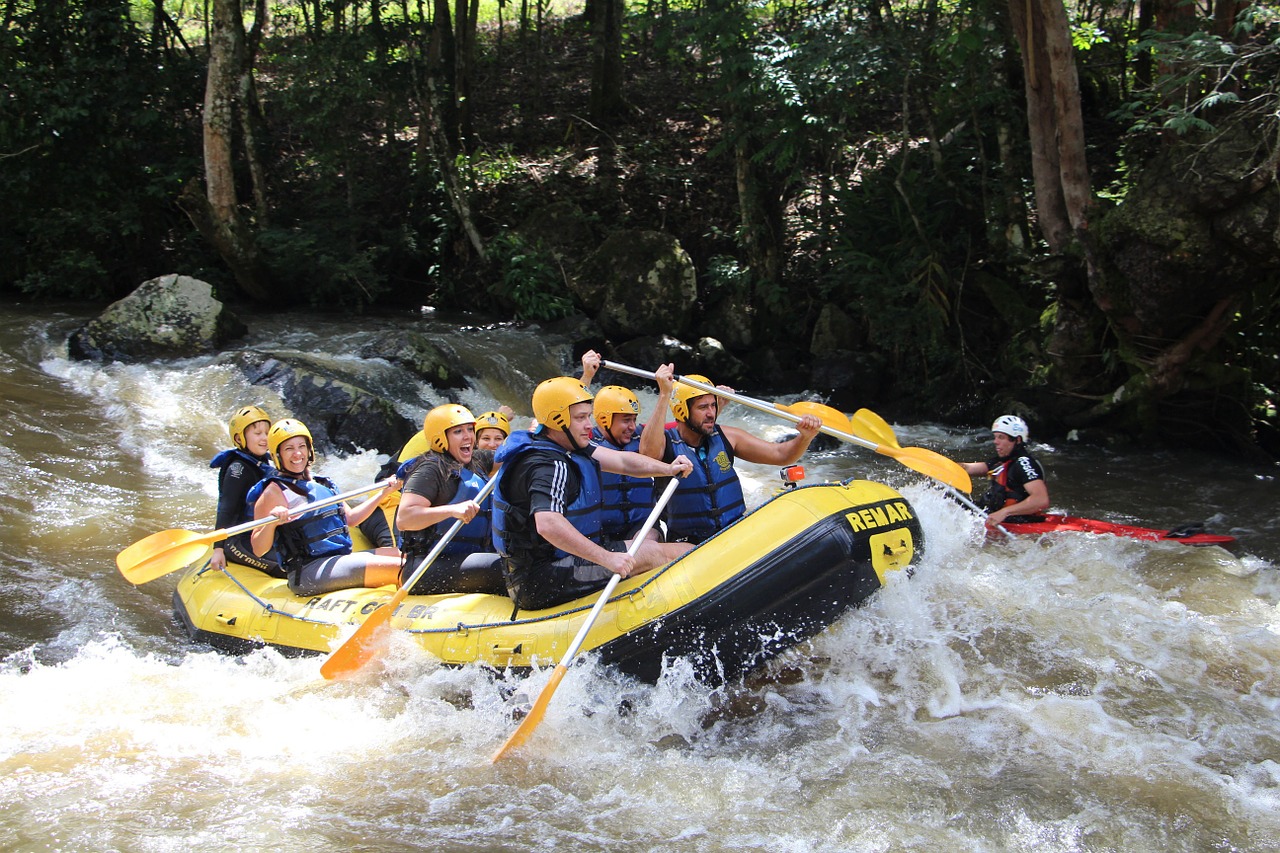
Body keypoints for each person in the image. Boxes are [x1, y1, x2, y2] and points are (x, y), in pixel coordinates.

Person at [490, 376, 694, 612]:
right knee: (673, 552)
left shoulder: (570, 447)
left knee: (664, 547)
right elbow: (548, 524)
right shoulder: (546, 465)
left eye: (588, 415)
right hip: (543, 579)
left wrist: (667, 469)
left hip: (553, 566)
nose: (590, 424)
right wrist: (607, 558)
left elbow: (623, 462)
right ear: (558, 420)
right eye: (580, 418)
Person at [639, 364, 822, 545]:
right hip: (688, 544)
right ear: (681, 410)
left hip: (733, 534)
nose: (711, 413)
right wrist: (664, 394)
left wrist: (805, 436)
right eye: (703, 407)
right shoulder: (665, 443)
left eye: (713, 405)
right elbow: (647, 455)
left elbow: (781, 455)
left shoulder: (728, 436)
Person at [247, 419, 403, 596]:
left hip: (337, 560)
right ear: (277, 455)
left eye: (302, 446)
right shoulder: (273, 492)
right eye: (289, 449)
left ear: (309, 449)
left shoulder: (323, 483)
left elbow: (351, 518)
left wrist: (384, 493)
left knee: (403, 556)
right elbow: (258, 549)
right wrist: (272, 523)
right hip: (308, 572)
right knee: (400, 567)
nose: (297, 454)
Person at [395, 404, 505, 594]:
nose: (468, 437)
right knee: (504, 569)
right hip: (427, 567)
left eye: (470, 429)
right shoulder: (430, 469)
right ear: (440, 438)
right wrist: (452, 510)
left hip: (469, 559)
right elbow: (404, 519)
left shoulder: (476, 461)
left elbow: (510, 456)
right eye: (458, 431)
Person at [209, 405, 279, 574]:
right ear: (240, 439)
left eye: (266, 433)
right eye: (257, 434)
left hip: (260, 535)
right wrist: (218, 548)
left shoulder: (265, 461)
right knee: (284, 567)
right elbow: (226, 509)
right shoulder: (237, 470)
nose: (264, 438)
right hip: (238, 541)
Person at [591, 384, 663, 541]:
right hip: (600, 528)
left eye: (634, 419)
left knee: (646, 542)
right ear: (604, 419)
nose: (632, 426)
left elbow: (684, 428)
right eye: (626, 420)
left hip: (642, 525)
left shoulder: (645, 438)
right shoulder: (585, 441)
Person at [961, 415, 1050, 527]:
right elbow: (968, 468)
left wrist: (1004, 513)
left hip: (1015, 521)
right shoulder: (1003, 461)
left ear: (1017, 440)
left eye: (1001, 437)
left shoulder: (1024, 464)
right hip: (990, 513)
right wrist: (940, 465)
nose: (995, 442)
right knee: (948, 499)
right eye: (995, 437)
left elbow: (1041, 500)